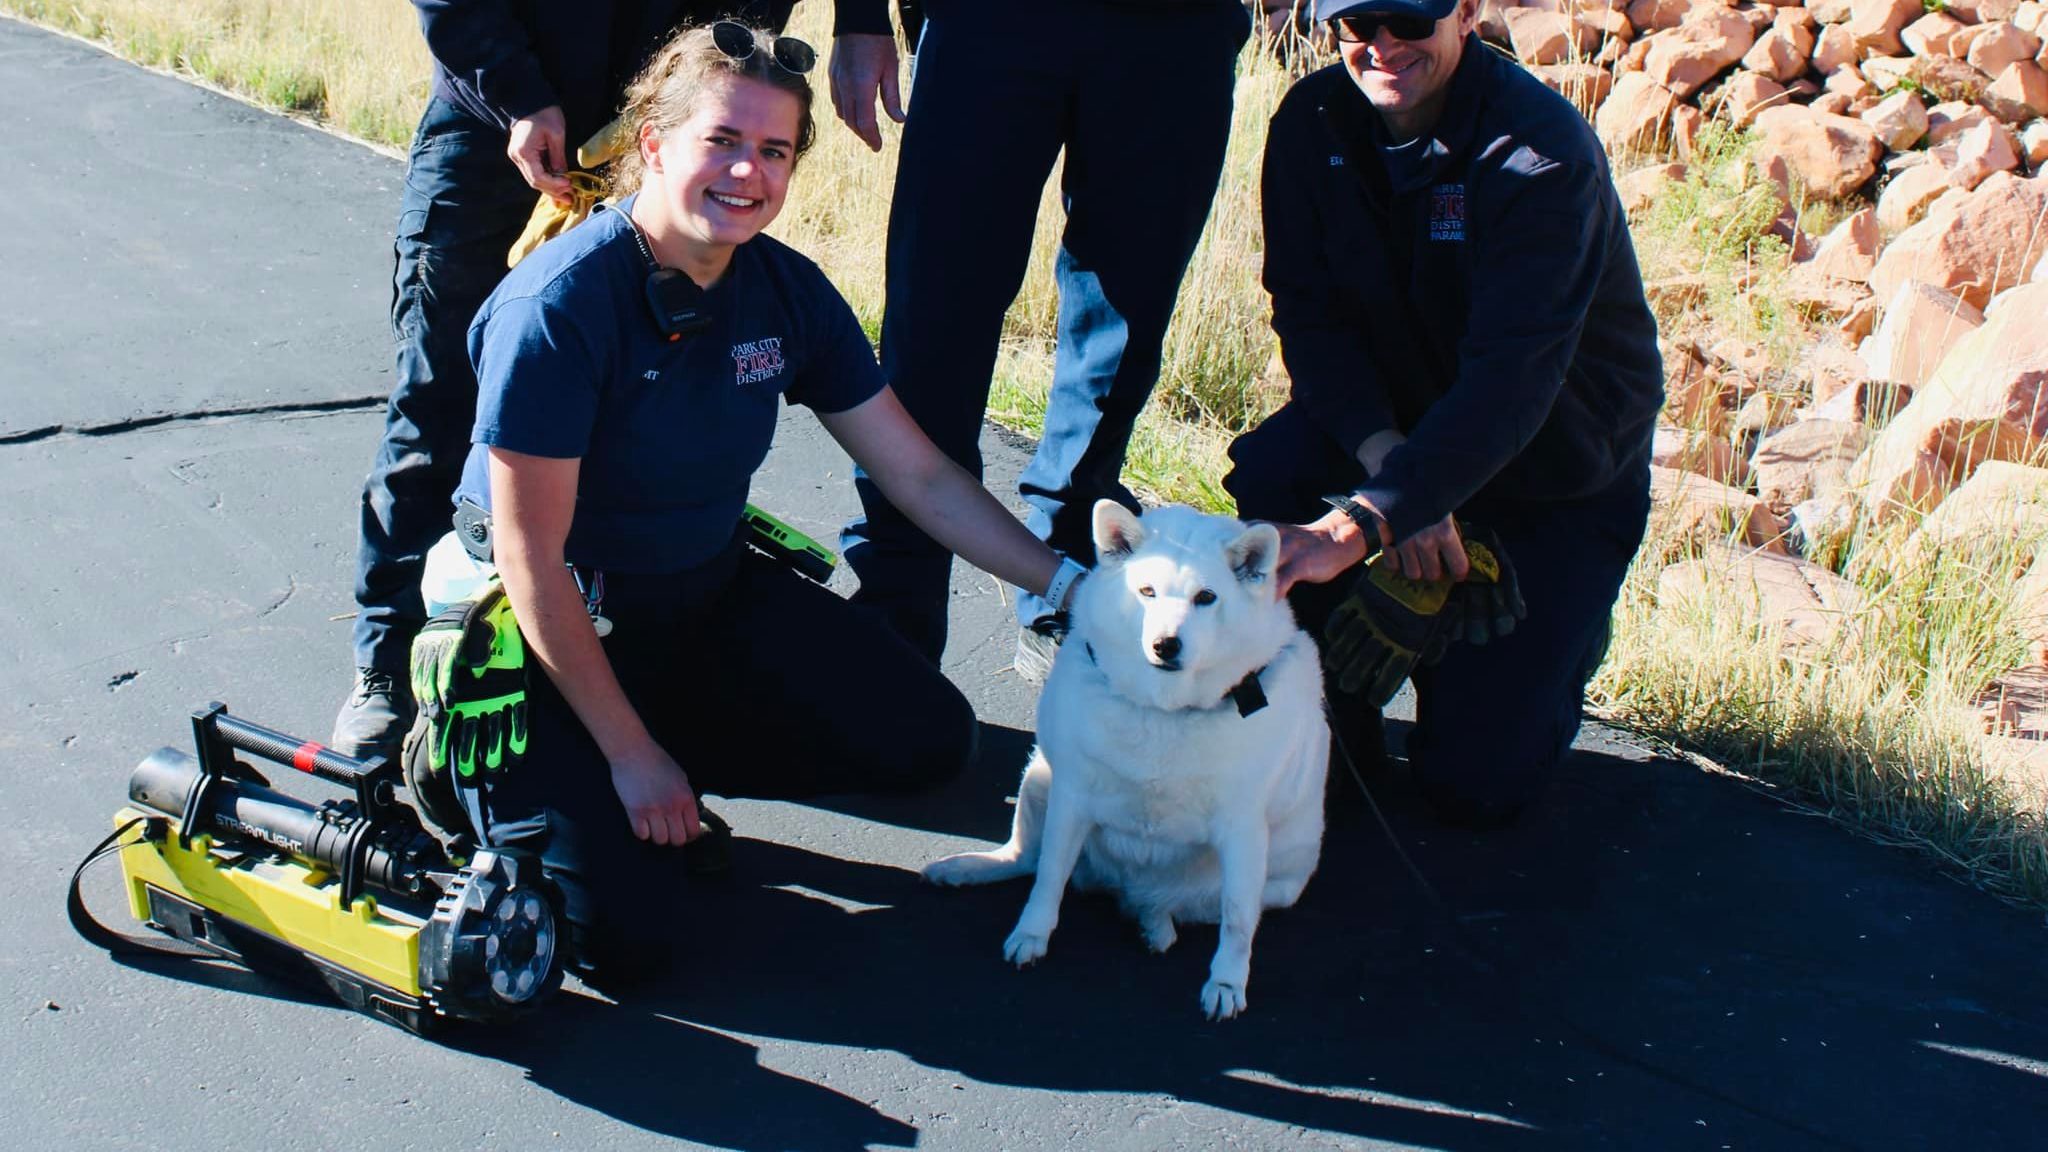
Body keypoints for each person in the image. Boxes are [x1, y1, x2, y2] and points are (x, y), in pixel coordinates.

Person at [442, 23, 1087, 978]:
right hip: (550, 626)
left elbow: (918, 475)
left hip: (697, 593)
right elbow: (529, 559)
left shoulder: (783, 291)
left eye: (773, 151)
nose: (748, 172)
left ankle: (653, 752)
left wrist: (1074, 584)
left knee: (928, 741)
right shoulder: (561, 308)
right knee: (630, 940)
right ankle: (489, 770)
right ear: (654, 145)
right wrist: (630, 757)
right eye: (723, 142)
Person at [334, 0, 807, 760]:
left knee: (626, 411)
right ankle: (387, 664)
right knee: (437, 402)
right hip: (495, 127)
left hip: (660, 151)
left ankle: (601, 673)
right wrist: (517, 94)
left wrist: (701, 109)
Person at [1230, 0, 1664, 828]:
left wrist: (1361, 528)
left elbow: (1513, 383)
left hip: (1549, 472)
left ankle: (1557, 636)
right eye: (1358, 24)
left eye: (1410, 18)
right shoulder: (1309, 124)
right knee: (1276, 476)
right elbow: (1310, 323)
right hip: (1389, 444)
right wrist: (1395, 484)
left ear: (1465, 11)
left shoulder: (1540, 157)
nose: (1384, 45)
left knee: (1476, 784)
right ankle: (1335, 704)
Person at [828, 0, 1254, 672]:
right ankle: (897, 599)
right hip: (992, 22)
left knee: (1123, 326)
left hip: (1178, 30)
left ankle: (1067, 583)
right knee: (937, 308)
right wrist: (859, 18)